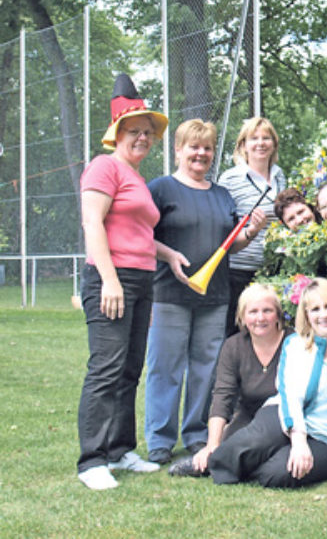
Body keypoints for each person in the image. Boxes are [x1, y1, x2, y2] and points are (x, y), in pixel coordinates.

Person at [144, 119, 267, 465]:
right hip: (169, 294)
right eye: (193, 146)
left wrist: (252, 232)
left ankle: (197, 434)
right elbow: (142, 235)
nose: (201, 153)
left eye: (207, 147)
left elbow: (231, 246)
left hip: (214, 297)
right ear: (178, 150)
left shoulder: (221, 195)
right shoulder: (161, 189)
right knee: (165, 367)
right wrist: (168, 257)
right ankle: (160, 439)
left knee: (205, 368)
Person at [188, 278, 327, 487]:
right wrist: (299, 441)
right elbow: (291, 396)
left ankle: (258, 462)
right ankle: (207, 464)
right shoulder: (296, 345)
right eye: (315, 309)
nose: (323, 315)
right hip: (286, 417)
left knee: (277, 474)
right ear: (306, 315)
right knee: (244, 446)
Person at [77, 74, 169, 490]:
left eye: (148, 133)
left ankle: (120, 450)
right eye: (135, 131)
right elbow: (93, 223)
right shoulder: (104, 166)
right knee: (106, 368)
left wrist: (169, 255)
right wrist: (110, 280)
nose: (144, 139)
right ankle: (92, 461)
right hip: (110, 279)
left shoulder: (138, 180)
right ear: (117, 134)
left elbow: (139, 233)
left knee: (130, 368)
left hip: (142, 280)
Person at [167, 284, 290, 476]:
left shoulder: (294, 342)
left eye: (268, 310)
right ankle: (215, 460)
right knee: (227, 448)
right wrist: (212, 445)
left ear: (278, 314)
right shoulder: (233, 346)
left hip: (286, 418)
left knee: (252, 450)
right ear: (242, 316)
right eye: (253, 312)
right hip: (249, 416)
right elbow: (222, 395)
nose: (260, 318)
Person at [218, 117, 287, 337]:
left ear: (274, 144)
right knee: (236, 334)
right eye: (253, 138)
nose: (260, 143)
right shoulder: (230, 179)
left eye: (266, 138)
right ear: (243, 145)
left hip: (272, 271)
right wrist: (251, 230)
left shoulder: (280, 177)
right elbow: (223, 227)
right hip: (238, 271)